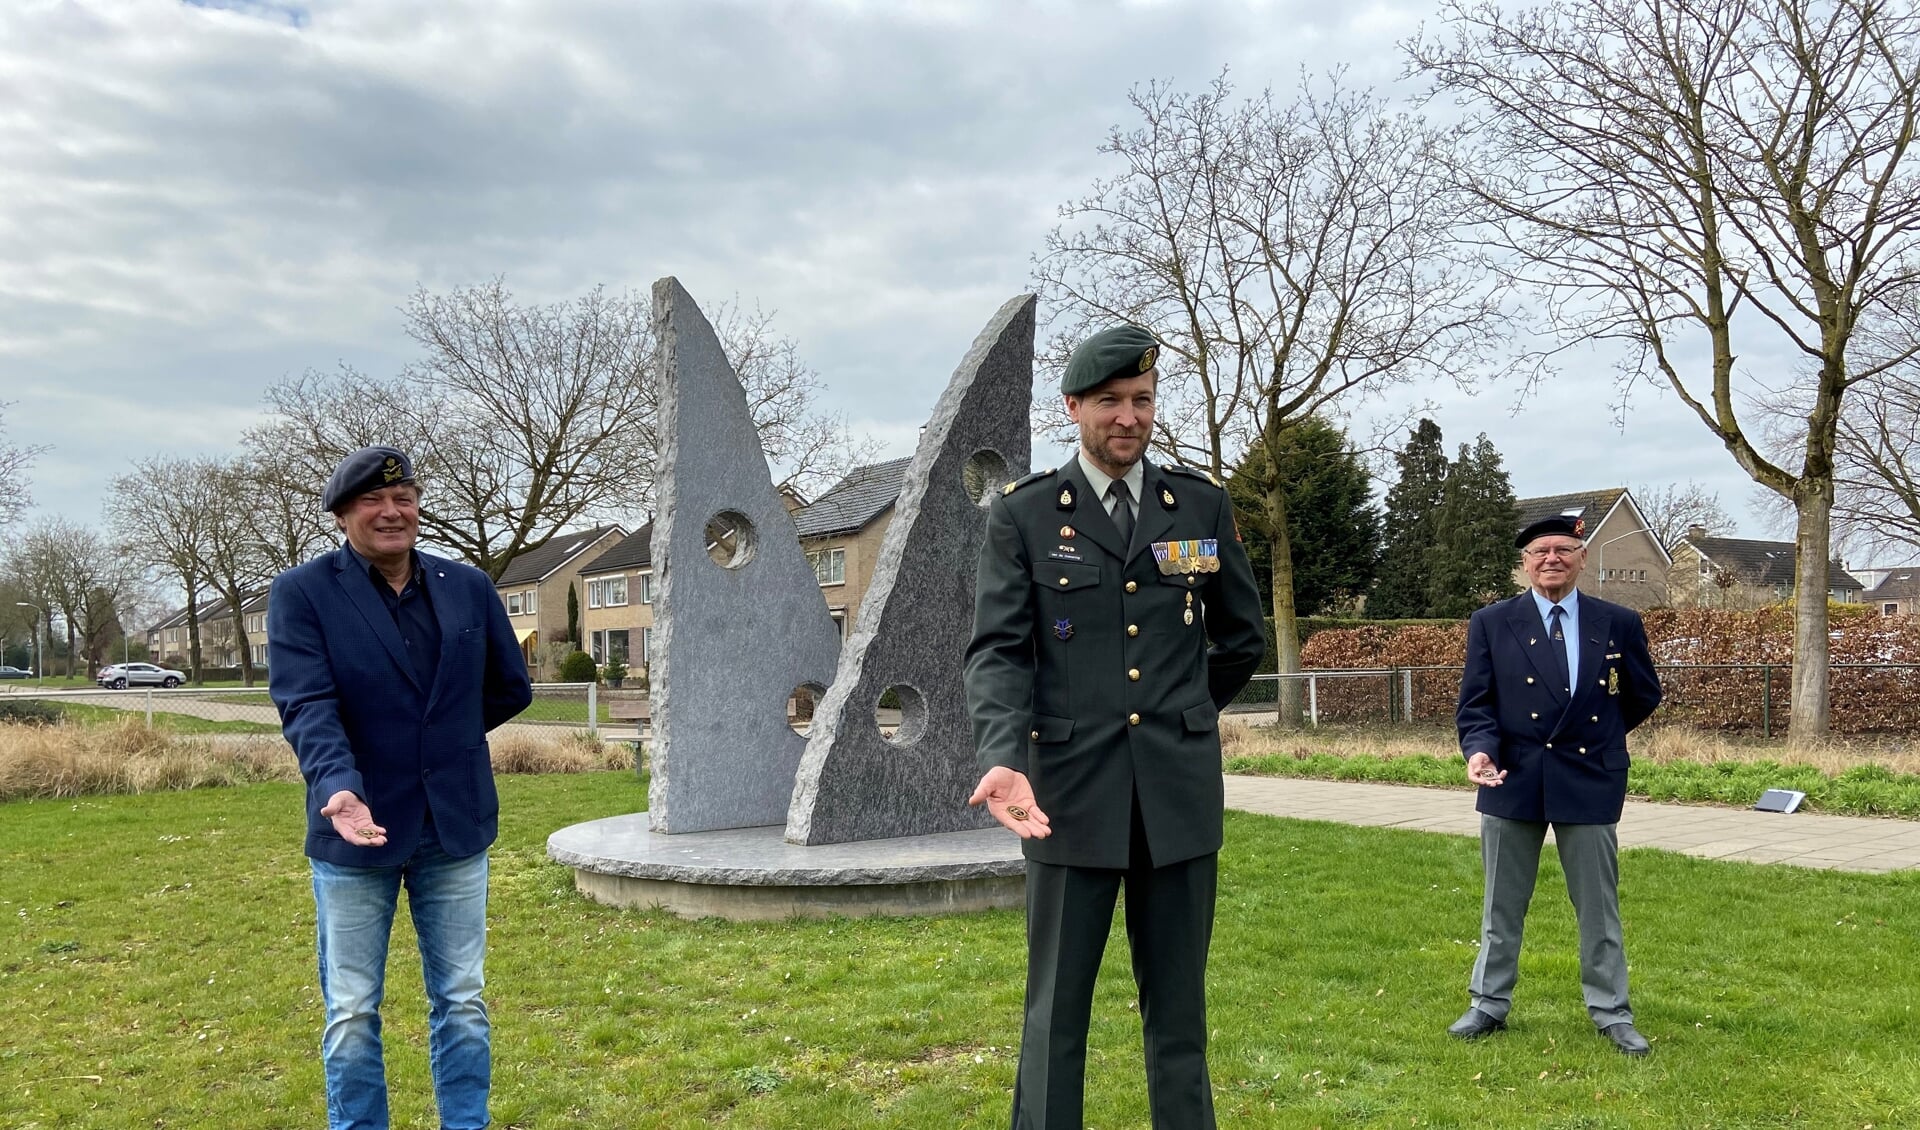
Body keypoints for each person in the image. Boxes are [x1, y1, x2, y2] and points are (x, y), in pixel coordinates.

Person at [964, 325, 1265, 1129]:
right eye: (1109, 403)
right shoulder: (1026, 518)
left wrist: (1188, 709)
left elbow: (1242, 637)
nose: (1128, 417)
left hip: (1178, 794)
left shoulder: (1198, 506)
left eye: (1142, 400)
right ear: (1073, 408)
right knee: (1055, 1014)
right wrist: (1003, 753)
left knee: (1180, 1016)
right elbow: (997, 651)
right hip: (1065, 796)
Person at [268, 446, 532, 1130]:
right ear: (342, 515)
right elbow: (307, 705)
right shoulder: (303, 594)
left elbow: (509, 686)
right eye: (372, 502)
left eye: (405, 498)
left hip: (455, 826)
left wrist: (439, 745)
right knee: (353, 1010)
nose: (392, 512)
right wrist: (340, 785)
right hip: (355, 828)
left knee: (464, 999)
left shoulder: (467, 585)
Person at [1450, 514, 1663, 1056]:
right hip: (1512, 776)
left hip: (1589, 775)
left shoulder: (1618, 621)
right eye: (1541, 551)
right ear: (1524, 562)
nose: (1552, 559)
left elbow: (1642, 694)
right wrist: (1479, 751)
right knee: (1502, 903)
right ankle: (1488, 1004)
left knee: (1598, 906)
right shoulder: (1492, 622)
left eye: (1563, 550)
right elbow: (1476, 705)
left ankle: (1611, 1011)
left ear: (1582, 557)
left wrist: (1602, 737)